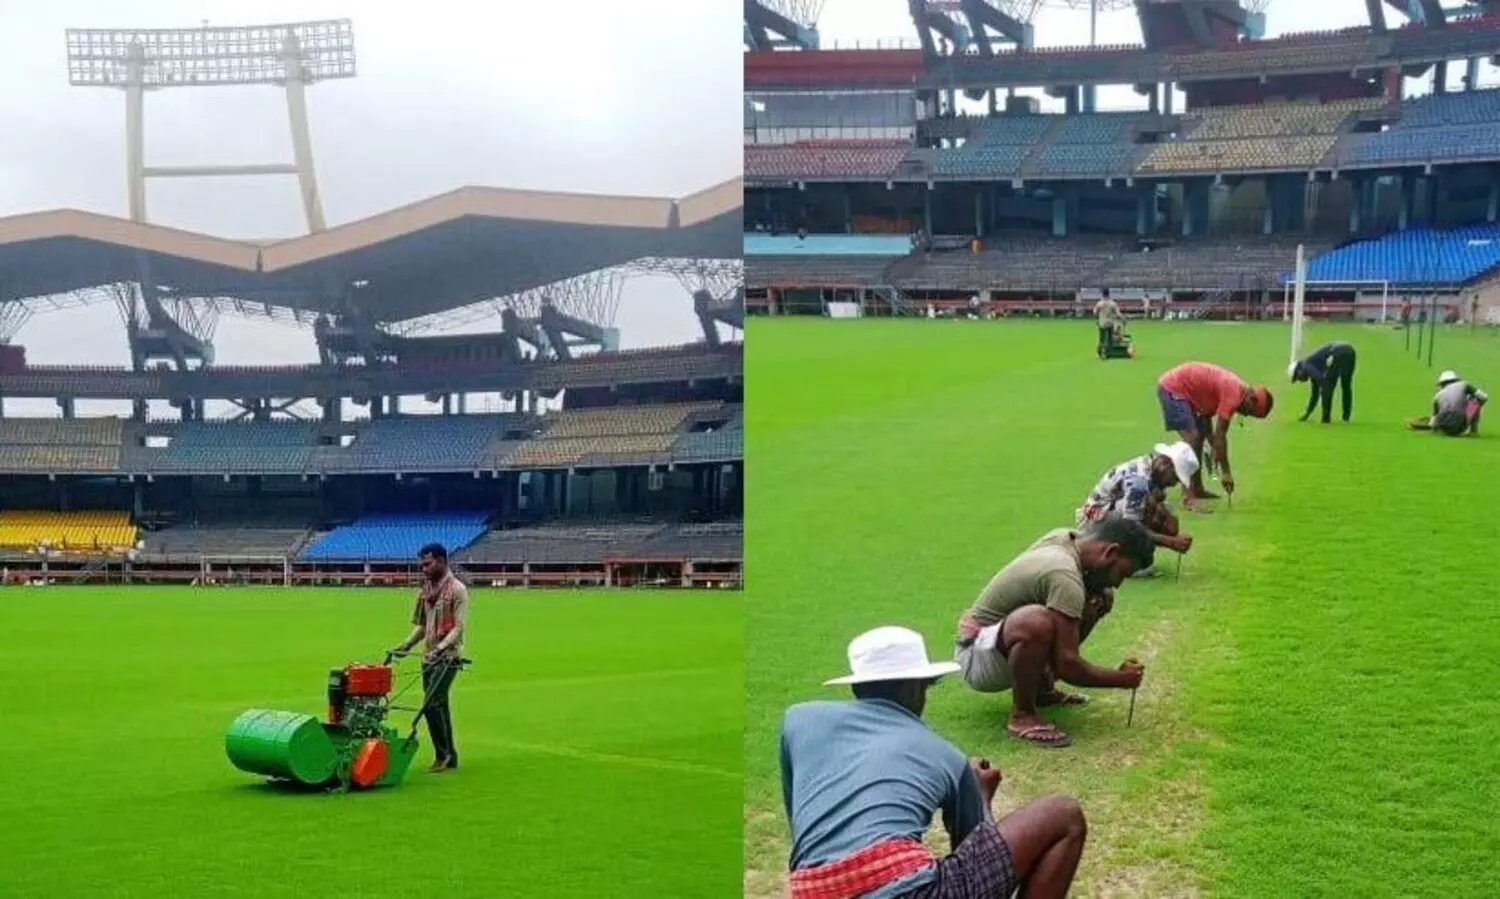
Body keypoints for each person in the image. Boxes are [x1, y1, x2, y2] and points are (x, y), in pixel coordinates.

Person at [780, 625, 1087, 899]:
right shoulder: (945, 755)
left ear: (856, 684)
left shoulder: (798, 720)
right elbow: (980, 854)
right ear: (916, 687)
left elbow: (802, 821)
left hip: (810, 890)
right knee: (1063, 814)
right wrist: (980, 795)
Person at [954, 515, 1154, 748]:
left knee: (1100, 596)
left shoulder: (1066, 538)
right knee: (1036, 622)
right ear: (1110, 552)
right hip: (976, 658)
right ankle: (1022, 715)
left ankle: (1040, 689)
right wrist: (1121, 679)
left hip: (998, 643)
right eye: (1123, 573)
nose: (1118, 583)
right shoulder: (1064, 574)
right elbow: (1067, 665)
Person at [389, 542, 469, 772]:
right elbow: (424, 625)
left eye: (428, 563)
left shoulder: (457, 590)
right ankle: (449, 755)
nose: (424, 568)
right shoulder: (426, 590)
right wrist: (406, 645)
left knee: (431, 703)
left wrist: (441, 648)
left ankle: (442, 755)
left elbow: (458, 628)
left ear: (442, 560)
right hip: (427, 657)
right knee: (439, 705)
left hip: (448, 658)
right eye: (422, 564)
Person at [1155, 361, 1274, 506]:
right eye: (1250, 412)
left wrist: (1214, 447)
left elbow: (1206, 421)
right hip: (1172, 388)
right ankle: (1186, 494)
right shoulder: (1234, 394)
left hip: (1185, 392)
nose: (1246, 415)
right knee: (1192, 440)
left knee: (1198, 439)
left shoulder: (1238, 391)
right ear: (1251, 400)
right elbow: (1221, 434)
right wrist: (1226, 472)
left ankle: (1197, 488)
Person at [1076, 441, 1197, 562]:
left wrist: (1171, 531)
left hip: (1105, 516)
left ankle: (1136, 555)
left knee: (1161, 509)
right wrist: (1169, 542)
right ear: (1166, 466)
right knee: (1141, 511)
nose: (1173, 484)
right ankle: (1124, 557)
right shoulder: (1139, 482)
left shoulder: (1148, 466)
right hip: (1093, 525)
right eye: (1175, 477)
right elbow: (1130, 524)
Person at [1289, 341, 1357, 424]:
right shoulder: (1310, 365)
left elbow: (1322, 382)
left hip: (1337, 352)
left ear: (1298, 370)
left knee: (1327, 387)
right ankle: (1346, 417)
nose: (1300, 380)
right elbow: (1315, 395)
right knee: (1346, 384)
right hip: (1349, 350)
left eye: (1297, 377)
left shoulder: (1306, 365)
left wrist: (1326, 387)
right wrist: (1307, 414)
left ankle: (1326, 419)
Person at [1408, 370, 1488, 437]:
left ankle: (1442, 430)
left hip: (1442, 428)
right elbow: (1484, 397)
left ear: (1442, 383)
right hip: (1459, 427)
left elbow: (1432, 422)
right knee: (1474, 401)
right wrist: (1476, 407)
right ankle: (1473, 431)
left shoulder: (1438, 395)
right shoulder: (1464, 385)